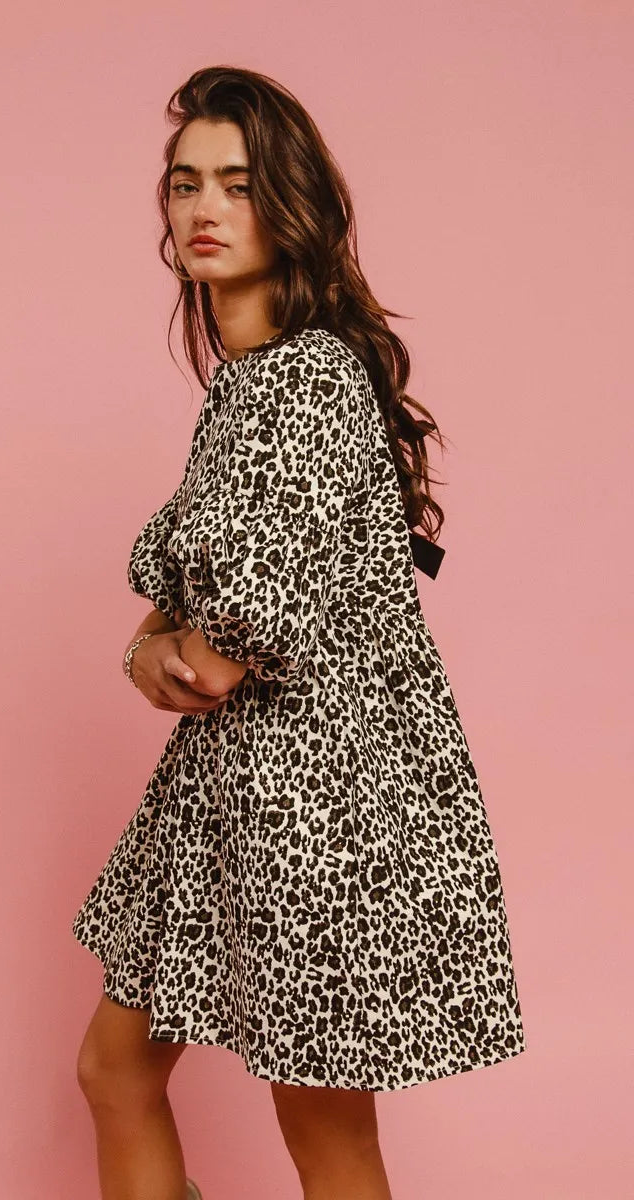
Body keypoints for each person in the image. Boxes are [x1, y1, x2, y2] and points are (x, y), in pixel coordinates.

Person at [71, 65, 527, 1200]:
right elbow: (180, 608)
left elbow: (210, 655)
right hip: (231, 797)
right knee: (114, 1071)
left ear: (291, 204)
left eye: (237, 183)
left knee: (326, 1139)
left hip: (312, 812)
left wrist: (159, 649)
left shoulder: (308, 382)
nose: (205, 208)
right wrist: (151, 643)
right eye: (186, 183)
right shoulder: (249, 386)